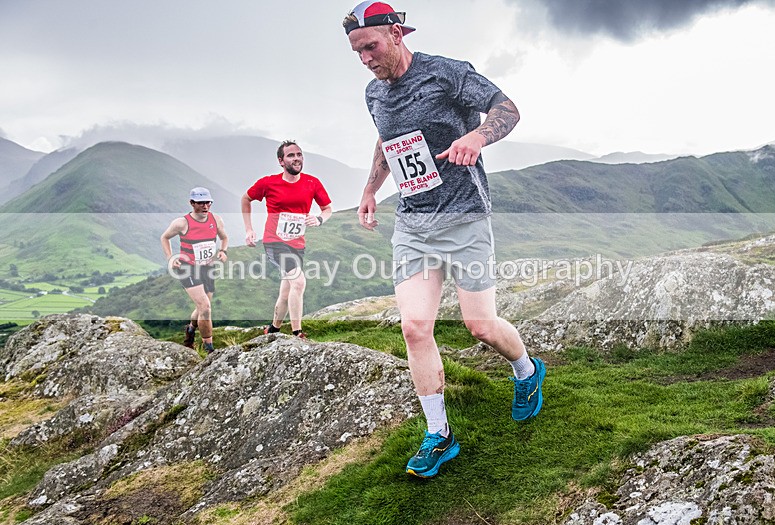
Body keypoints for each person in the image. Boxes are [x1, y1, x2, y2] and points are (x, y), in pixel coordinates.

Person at [343, 1, 546, 478]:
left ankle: (526, 371)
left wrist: (476, 137)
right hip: (413, 225)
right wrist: (371, 189)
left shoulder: (446, 74)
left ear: (396, 33)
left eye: (371, 47)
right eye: (357, 52)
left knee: (481, 326)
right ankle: (439, 435)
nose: (366, 59)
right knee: (415, 327)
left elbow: (507, 108)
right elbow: (386, 141)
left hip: (464, 219)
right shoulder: (374, 93)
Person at [241, 140, 332, 339]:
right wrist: (249, 229)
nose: (297, 158)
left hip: (298, 244)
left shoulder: (312, 183)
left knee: (287, 290)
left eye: (299, 154)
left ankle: (273, 329)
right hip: (275, 242)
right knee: (298, 282)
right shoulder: (268, 183)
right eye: (291, 155)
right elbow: (245, 199)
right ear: (281, 161)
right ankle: (297, 333)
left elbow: (327, 209)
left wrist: (319, 219)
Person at [160, 186, 228, 354]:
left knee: (202, 308)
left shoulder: (216, 219)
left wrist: (223, 250)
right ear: (192, 203)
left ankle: (190, 330)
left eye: (208, 203)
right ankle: (209, 350)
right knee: (205, 307)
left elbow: (224, 237)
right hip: (188, 268)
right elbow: (165, 237)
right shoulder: (181, 223)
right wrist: (170, 258)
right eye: (201, 203)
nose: (205, 206)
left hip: (207, 269)